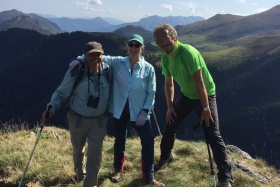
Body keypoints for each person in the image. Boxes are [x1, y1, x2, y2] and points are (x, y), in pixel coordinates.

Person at [70, 34, 164, 186]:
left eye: (136, 45)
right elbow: (97, 56)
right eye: (131, 45)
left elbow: (151, 92)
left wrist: (145, 111)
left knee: (148, 142)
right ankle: (117, 170)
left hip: (139, 112)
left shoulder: (148, 69)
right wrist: (80, 59)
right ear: (127, 46)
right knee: (120, 141)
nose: (133, 48)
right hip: (119, 111)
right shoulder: (118, 62)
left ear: (142, 48)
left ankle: (149, 176)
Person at [152, 23, 233, 187]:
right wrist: (169, 107)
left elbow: (199, 83)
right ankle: (166, 156)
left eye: (166, 39)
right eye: (160, 41)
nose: (164, 44)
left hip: (205, 95)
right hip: (187, 95)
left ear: (174, 38)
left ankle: (226, 177)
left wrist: (205, 108)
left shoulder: (188, 53)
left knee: (213, 135)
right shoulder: (166, 58)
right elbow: (169, 84)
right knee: (170, 124)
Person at [41, 41, 110, 187]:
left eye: (98, 54)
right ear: (85, 55)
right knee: (78, 149)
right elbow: (62, 92)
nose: (95, 57)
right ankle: (80, 174)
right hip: (77, 118)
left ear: (102, 55)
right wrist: (51, 108)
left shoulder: (108, 70)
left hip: (99, 121)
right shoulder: (77, 70)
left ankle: (90, 184)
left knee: (95, 155)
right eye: (91, 54)